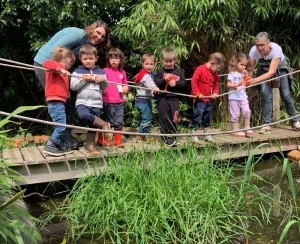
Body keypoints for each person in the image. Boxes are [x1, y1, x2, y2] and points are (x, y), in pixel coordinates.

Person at [34, 20, 110, 149]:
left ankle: (66, 137)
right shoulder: (77, 35)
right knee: (58, 104)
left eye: (102, 37)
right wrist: (58, 70)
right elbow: (54, 52)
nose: (99, 38)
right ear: (92, 29)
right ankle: (59, 140)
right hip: (46, 65)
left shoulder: (87, 43)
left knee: (67, 103)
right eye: (98, 33)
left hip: (61, 71)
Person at [247, 31, 300, 134]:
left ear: (268, 43)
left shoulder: (276, 49)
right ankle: (266, 124)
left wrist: (256, 80)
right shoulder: (254, 51)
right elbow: (250, 69)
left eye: (262, 45)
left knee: (285, 94)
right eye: (257, 45)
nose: (259, 48)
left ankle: (295, 121)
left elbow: (271, 72)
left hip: (279, 68)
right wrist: (247, 79)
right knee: (266, 94)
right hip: (264, 68)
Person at [70, 44, 112, 155]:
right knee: (83, 115)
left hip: (97, 103)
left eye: (91, 58)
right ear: (81, 59)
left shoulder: (101, 72)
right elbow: (73, 86)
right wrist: (85, 80)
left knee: (92, 126)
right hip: (82, 101)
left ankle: (90, 145)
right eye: (85, 59)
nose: (88, 61)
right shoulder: (77, 71)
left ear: (96, 59)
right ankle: (103, 124)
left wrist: (101, 80)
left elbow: (105, 87)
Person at [42, 46, 76, 156]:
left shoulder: (60, 71)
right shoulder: (55, 67)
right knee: (61, 126)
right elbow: (46, 63)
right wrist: (61, 69)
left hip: (59, 101)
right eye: (70, 65)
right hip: (55, 101)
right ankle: (51, 145)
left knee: (60, 125)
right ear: (69, 61)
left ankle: (59, 144)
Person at [189, 52, 226, 144]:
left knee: (207, 117)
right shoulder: (200, 69)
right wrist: (197, 93)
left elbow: (215, 84)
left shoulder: (215, 74)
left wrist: (215, 93)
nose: (218, 71)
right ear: (212, 63)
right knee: (198, 115)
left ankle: (207, 134)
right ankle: (193, 133)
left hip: (208, 99)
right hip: (199, 99)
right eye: (218, 68)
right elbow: (194, 81)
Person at [154, 48, 187, 147]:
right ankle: (165, 136)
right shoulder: (160, 71)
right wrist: (164, 80)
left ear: (175, 60)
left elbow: (184, 83)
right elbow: (155, 83)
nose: (168, 63)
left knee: (174, 117)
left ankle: (172, 136)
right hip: (162, 98)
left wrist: (176, 83)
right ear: (162, 60)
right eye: (166, 61)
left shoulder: (179, 71)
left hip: (174, 98)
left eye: (170, 61)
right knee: (163, 117)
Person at [100, 48, 129, 148]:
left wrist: (126, 88)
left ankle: (117, 140)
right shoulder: (105, 71)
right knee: (109, 121)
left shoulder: (123, 72)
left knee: (119, 120)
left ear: (120, 60)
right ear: (108, 59)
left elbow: (125, 85)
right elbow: (100, 83)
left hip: (120, 100)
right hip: (107, 100)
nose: (113, 60)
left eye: (116, 58)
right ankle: (104, 139)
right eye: (111, 58)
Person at [134, 53, 160, 143]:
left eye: (151, 64)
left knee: (146, 117)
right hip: (143, 99)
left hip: (146, 99)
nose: (149, 66)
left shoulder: (149, 74)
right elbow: (149, 82)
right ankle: (147, 136)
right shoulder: (144, 75)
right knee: (146, 117)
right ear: (142, 64)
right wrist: (154, 87)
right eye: (146, 64)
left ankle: (140, 136)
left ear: (154, 64)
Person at [227, 53, 253, 137]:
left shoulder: (243, 74)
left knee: (247, 110)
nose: (243, 67)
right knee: (235, 114)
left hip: (243, 96)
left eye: (245, 65)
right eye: (241, 64)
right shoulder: (232, 73)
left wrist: (246, 75)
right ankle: (235, 130)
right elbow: (228, 84)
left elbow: (247, 83)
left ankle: (247, 127)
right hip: (233, 97)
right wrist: (237, 84)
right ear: (236, 63)